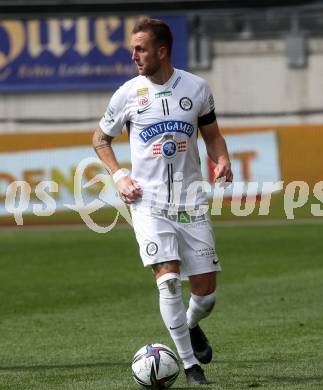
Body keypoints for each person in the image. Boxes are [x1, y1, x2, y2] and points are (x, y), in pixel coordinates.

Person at [93, 17, 233, 385]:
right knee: (168, 280)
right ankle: (190, 367)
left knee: (205, 295)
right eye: (132, 49)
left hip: (190, 203)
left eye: (140, 49)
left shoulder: (198, 88)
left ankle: (188, 326)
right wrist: (120, 176)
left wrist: (222, 158)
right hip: (148, 203)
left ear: (162, 50)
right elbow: (100, 139)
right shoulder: (127, 94)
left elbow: (213, 136)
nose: (134, 56)